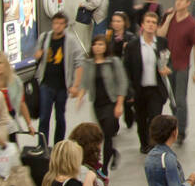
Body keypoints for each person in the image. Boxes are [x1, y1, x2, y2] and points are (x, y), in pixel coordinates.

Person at [122, 10, 171, 154]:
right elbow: (127, 69)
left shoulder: (162, 43)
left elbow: (168, 60)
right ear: (143, 25)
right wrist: (129, 90)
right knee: (141, 119)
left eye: (154, 23)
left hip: (156, 89)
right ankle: (144, 144)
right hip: (139, 89)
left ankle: (154, 144)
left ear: (157, 26)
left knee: (155, 118)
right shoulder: (133, 46)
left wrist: (168, 68)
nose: (151, 25)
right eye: (148, 22)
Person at [78, 32, 128, 174]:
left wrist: (119, 103)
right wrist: (80, 96)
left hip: (111, 102)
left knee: (107, 134)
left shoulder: (113, 62)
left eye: (101, 44)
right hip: (97, 103)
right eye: (95, 44)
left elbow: (122, 82)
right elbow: (85, 83)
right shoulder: (88, 63)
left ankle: (104, 169)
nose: (98, 47)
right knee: (103, 135)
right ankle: (113, 152)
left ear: (106, 47)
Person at [157, 0, 195, 143]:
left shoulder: (191, 24)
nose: (178, 2)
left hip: (182, 66)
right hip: (167, 65)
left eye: (182, 0)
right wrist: (169, 19)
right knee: (173, 100)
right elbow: (160, 34)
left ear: (188, 3)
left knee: (181, 100)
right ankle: (174, 125)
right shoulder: (169, 17)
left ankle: (181, 131)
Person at [33, 12, 84, 145]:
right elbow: (37, 55)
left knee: (60, 117)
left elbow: (79, 62)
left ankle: (58, 145)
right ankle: (42, 145)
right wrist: (37, 56)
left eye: (61, 24)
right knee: (44, 117)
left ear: (65, 25)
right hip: (46, 83)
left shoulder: (71, 41)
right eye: (55, 23)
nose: (57, 26)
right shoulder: (44, 38)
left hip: (62, 85)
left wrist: (75, 85)